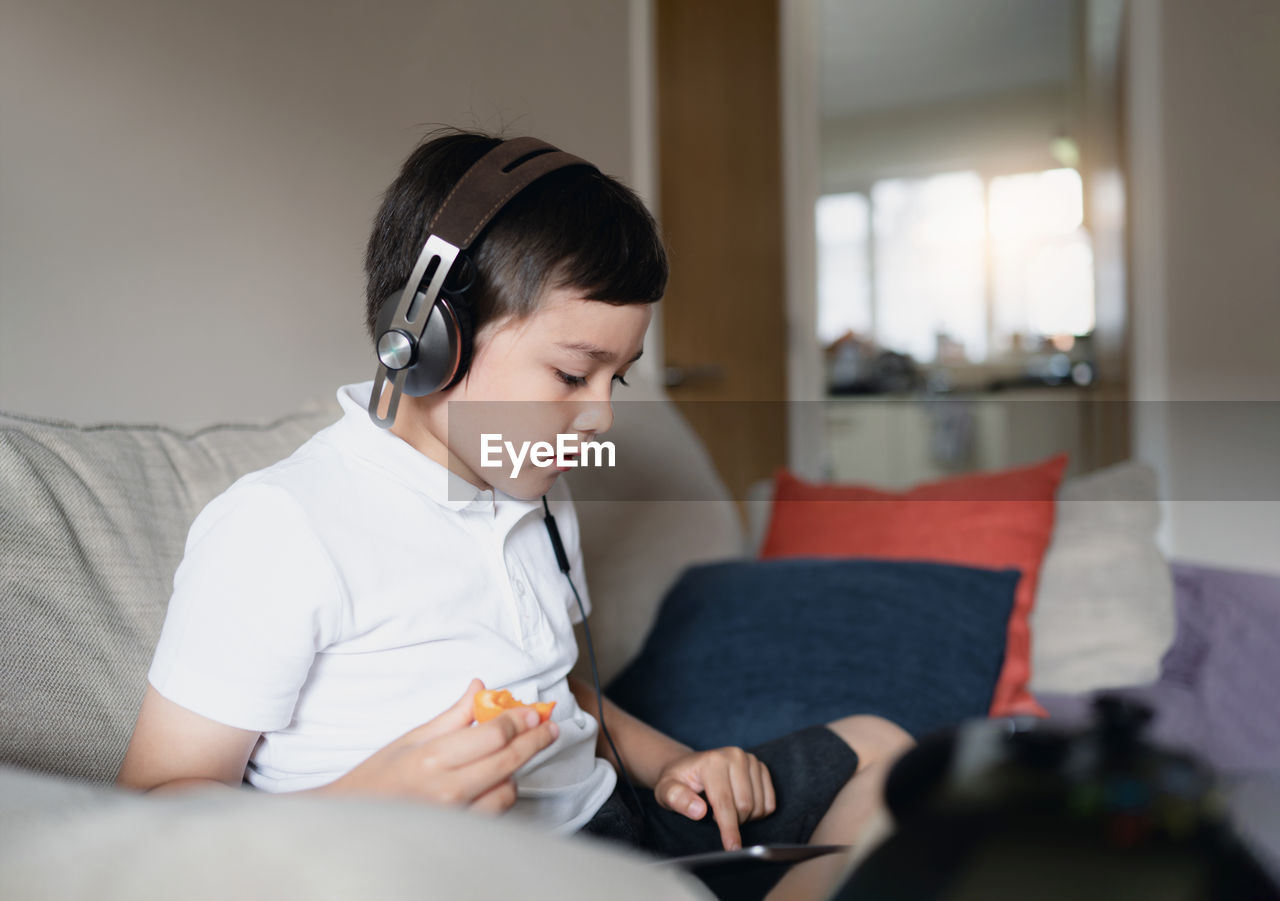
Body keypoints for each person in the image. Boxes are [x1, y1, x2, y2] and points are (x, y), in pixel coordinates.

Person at [116, 130, 914, 899]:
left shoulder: (529, 487)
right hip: (455, 869)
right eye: (573, 374)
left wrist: (676, 761)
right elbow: (155, 799)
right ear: (427, 340)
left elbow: (559, 686)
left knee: (885, 751)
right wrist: (369, 798)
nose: (600, 418)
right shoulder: (282, 524)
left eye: (617, 380)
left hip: (611, 835)